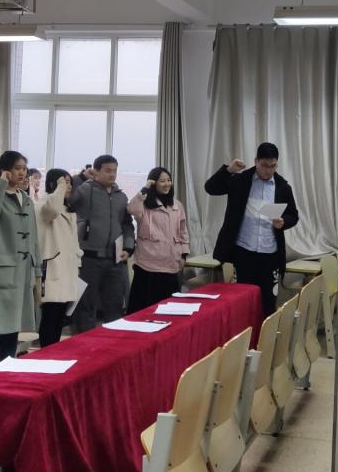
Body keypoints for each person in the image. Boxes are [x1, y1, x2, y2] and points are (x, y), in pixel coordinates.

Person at [204, 142, 300, 316]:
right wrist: (229, 170)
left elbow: (293, 215)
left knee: (268, 304)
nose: (268, 170)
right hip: (244, 252)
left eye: (273, 166)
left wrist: (283, 222)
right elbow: (210, 188)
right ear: (256, 161)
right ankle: (244, 334)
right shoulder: (241, 180)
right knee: (243, 303)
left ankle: (266, 334)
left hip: (270, 254)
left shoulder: (282, 187)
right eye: (264, 165)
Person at [0, 151, 40, 367]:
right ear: (5, 170)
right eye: (17, 168)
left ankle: (8, 368)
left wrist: (37, 270)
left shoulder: (26, 199)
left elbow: (34, 238)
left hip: (22, 272)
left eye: (24, 168)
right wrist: (1, 183)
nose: (22, 173)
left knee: (14, 326)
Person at [68, 154, 134, 331]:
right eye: (107, 171)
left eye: (115, 171)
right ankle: (83, 343)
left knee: (115, 307)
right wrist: (81, 177)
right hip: (88, 259)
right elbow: (69, 199)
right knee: (85, 306)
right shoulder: (85, 190)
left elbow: (127, 225)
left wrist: (129, 247)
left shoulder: (121, 197)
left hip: (115, 260)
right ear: (95, 172)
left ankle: (113, 343)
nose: (112, 174)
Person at [126, 167, 190, 314]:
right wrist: (145, 189)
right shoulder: (144, 204)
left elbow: (183, 232)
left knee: (168, 309)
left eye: (169, 180)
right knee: (145, 309)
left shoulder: (177, 205)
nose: (167, 184)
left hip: (171, 264)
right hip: (148, 265)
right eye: (162, 181)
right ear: (154, 183)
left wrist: (184, 255)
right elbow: (131, 209)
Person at [35, 169, 81, 347]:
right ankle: (46, 351)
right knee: (50, 314)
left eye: (69, 183)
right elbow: (52, 210)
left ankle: (53, 349)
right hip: (52, 267)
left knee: (60, 316)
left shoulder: (69, 209)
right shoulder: (45, 203)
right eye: (64, 182)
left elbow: (74, 241)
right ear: (53, 184)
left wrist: (78, 261)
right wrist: (60, 187)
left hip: (68, 269)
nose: (68, 186)